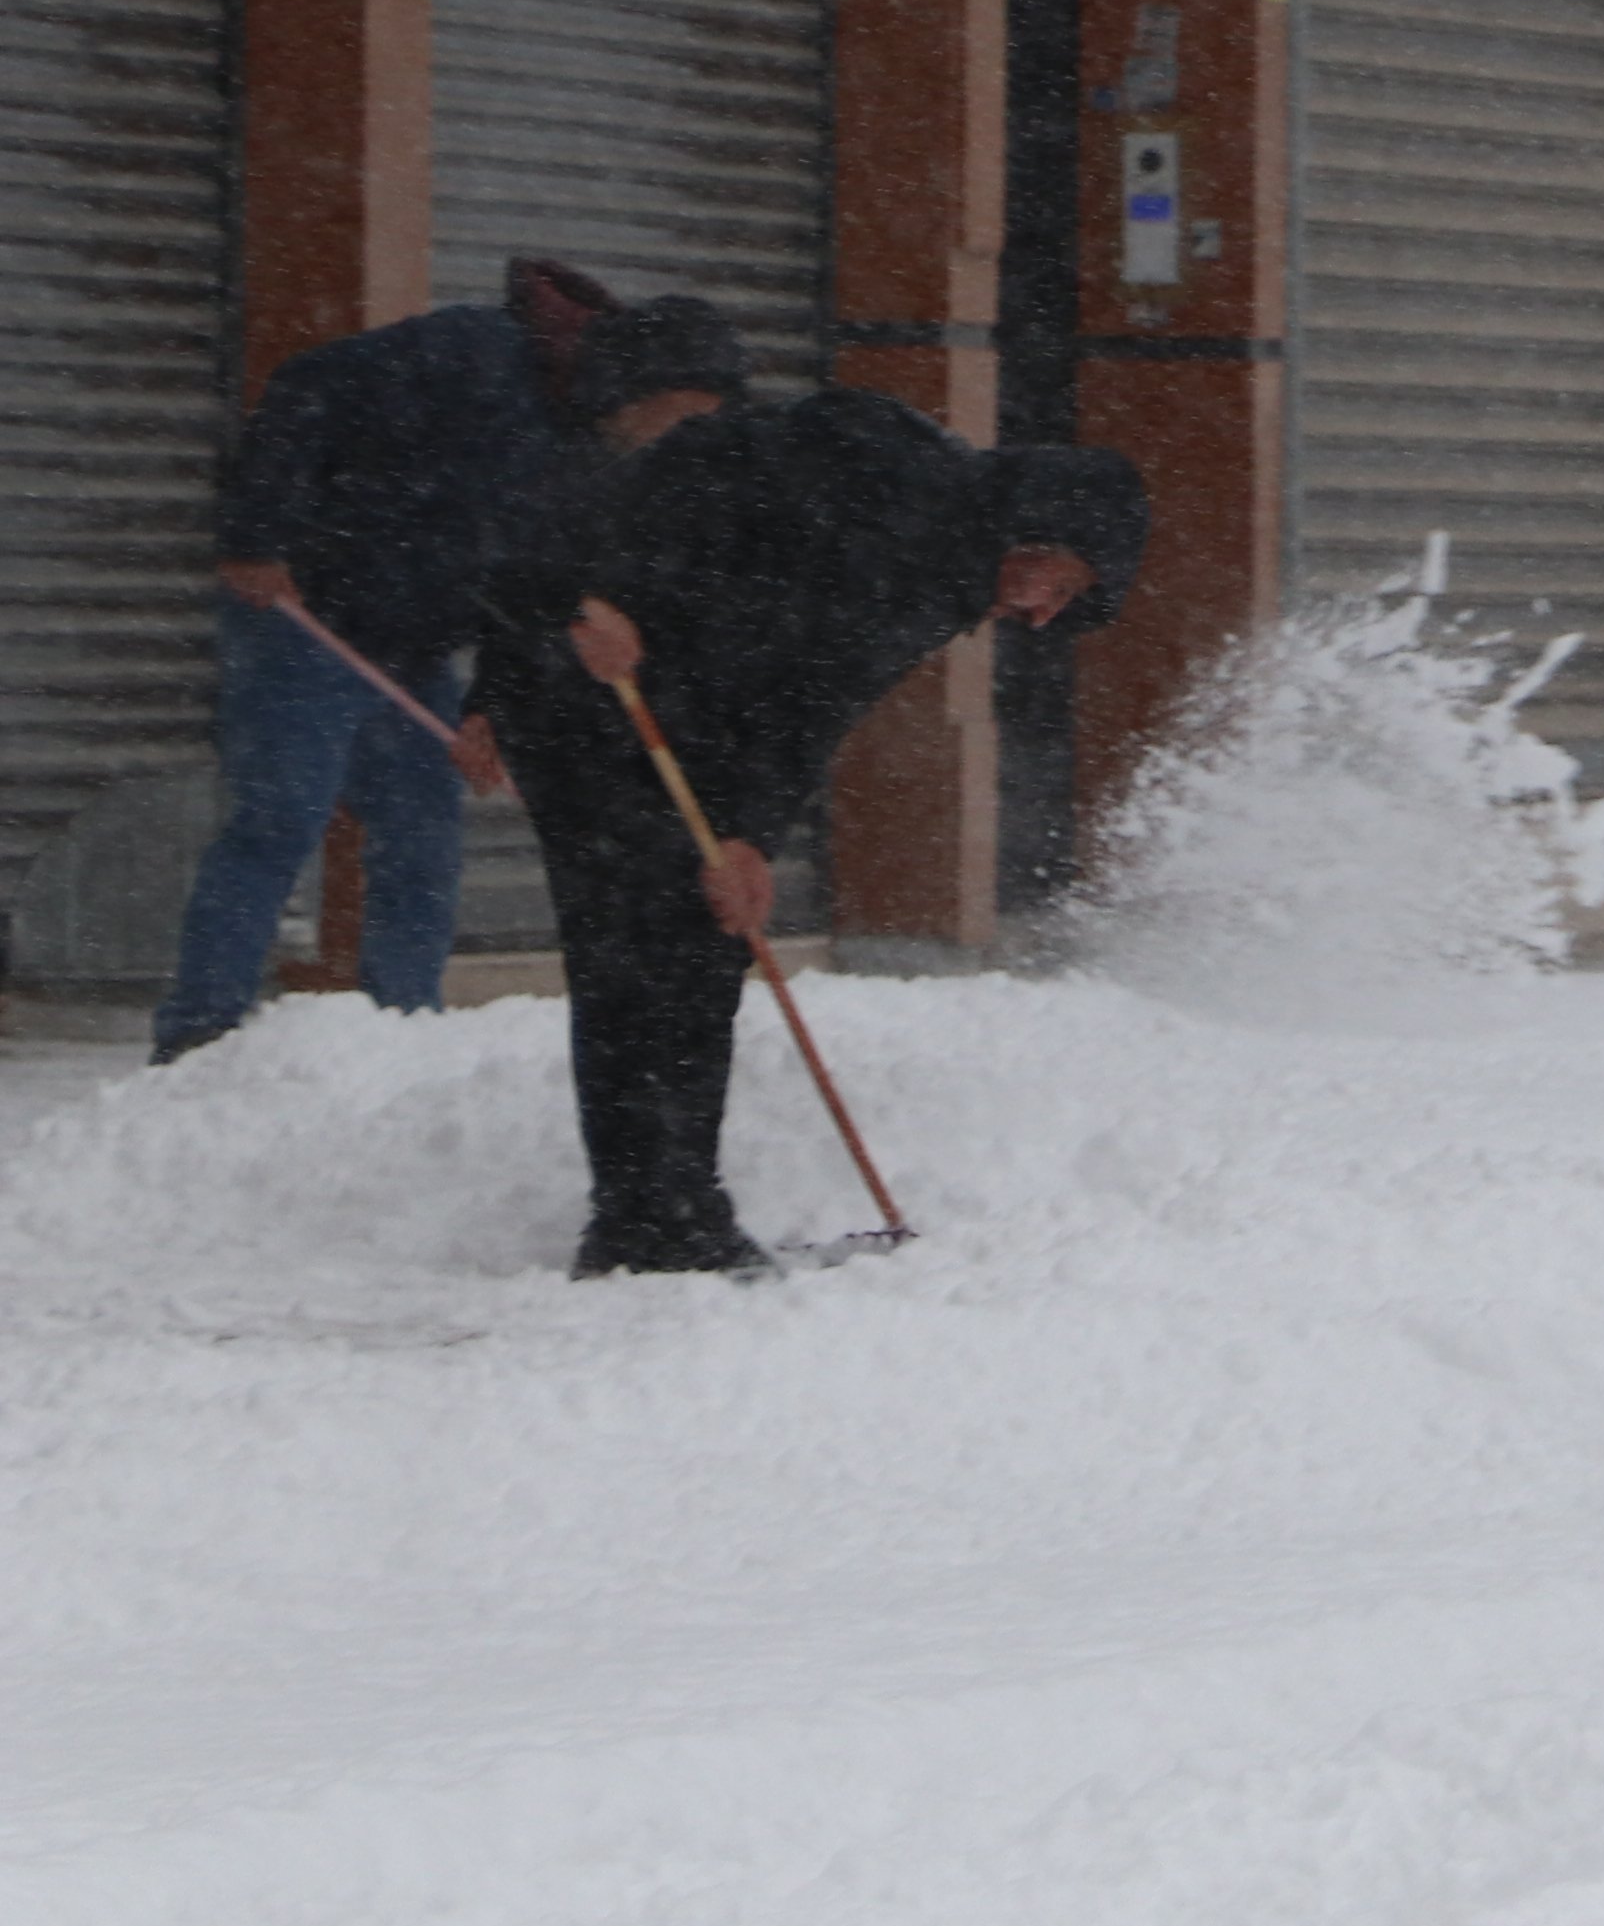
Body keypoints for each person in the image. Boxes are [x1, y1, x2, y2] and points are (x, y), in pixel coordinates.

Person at [467, 316, 1149, 1275]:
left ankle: (665, 1210)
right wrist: (569, 606)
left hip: (680, 717)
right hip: (598, 702)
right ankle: (649, 1219)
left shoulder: (940, 567)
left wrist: (746, 833)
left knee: (688, 950)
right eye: (1058, 582)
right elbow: (651, 493)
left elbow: (808, 702)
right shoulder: (887, 493)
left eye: (1064, 604)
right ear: (1037, 526)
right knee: (642, 954)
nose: (1039, 612)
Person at [154, 256, 620, 1060]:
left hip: (414, 650)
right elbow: (305, 386)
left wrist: (491, 711)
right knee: (280, 819)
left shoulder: (586, 444)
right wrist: (255, 537)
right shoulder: (471, 352)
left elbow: (531, 588)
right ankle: (200, 1032)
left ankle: (403, 1032)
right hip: (303, 621)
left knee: (423, 838)